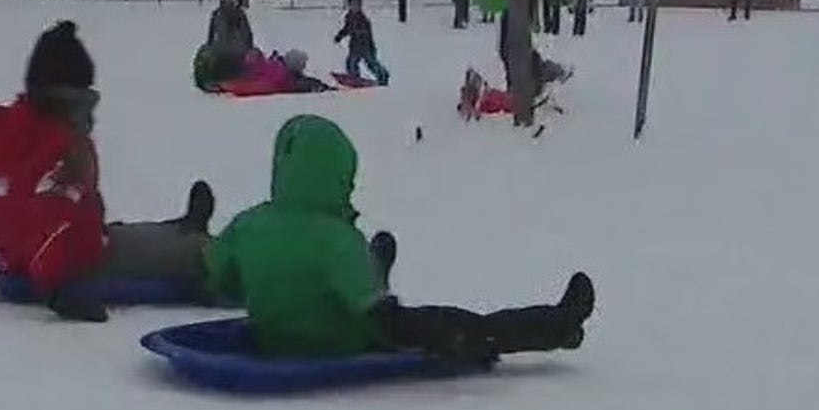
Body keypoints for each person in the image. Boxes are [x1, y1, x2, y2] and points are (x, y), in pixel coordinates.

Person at [205, 114, 594, 362]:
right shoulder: (336, 240)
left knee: (357, 279)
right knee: (469, 325)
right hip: (341, 341)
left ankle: (375, 268)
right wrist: (437, 335)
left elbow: (218, 278)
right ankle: (558, 323)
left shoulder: (246, 225)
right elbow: (379, 318)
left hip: (273, 338)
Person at [0, 21, 216, 322]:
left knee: (122, 233)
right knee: (159, 253)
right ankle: (202, 246)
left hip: (13, 256)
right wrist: (59, 287)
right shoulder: (68, 147)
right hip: (72, 261)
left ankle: (181, 226)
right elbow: (57, 220)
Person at [333, 0, 389, 85]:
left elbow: (366, 33)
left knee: (371, 63)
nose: (354, 7)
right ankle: (354, 77)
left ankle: (382, 75)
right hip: (354, 45)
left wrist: (360, 33)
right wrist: (340, 36)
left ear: (360, 6)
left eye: (356, 5)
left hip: (365, 45)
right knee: (351, 62)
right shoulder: (349, 17)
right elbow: (347, 28)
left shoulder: (363, 19)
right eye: (352, 5)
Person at [204, 0, 254, 81]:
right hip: (237, 56)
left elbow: (210, 37)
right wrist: (250, 50)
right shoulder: (239, 14)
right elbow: (247, 35)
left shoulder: (216, 14)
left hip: (219, 56)